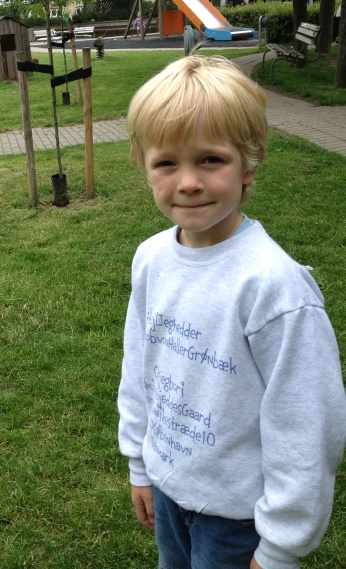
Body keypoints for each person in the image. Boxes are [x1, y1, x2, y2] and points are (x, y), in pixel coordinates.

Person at [118, 56, 346, 569]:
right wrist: (140, 463)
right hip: (170, 489)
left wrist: (282, 545)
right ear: (143, 165)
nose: (189, 182)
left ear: (250, 161)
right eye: (167, 163)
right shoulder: (152, 258)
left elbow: (307, 425)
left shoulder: (275, 288)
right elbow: (140, 368)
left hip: (238, 518)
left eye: (211, 160)